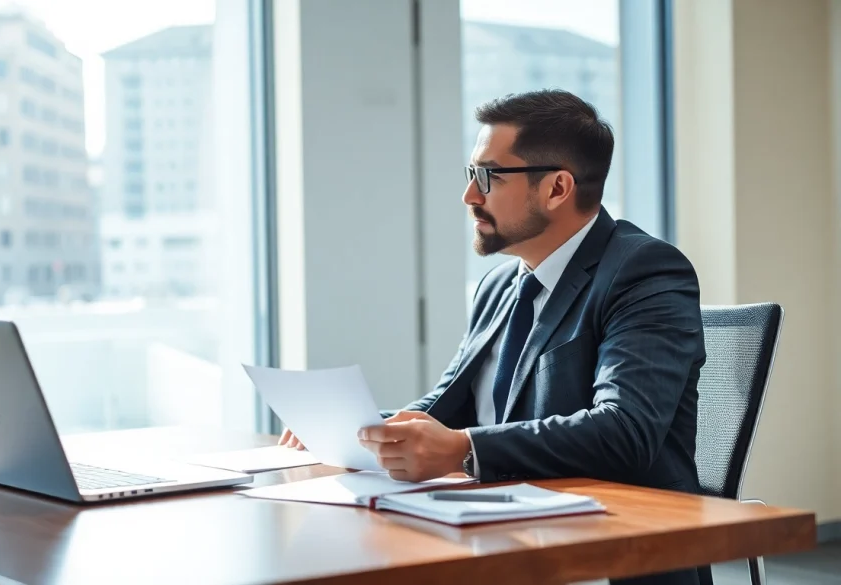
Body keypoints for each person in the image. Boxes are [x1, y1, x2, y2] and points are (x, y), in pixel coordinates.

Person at [280, 89, 707, 585]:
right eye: (470, 176)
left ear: (557, 188)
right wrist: (361, 430)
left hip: (609, 549)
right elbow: (449, 406)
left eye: (487, 177)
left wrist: (463, 449)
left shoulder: (644, 271)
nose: (469, 197)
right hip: (505, 532)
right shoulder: (501, 284)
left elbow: (624, 430)